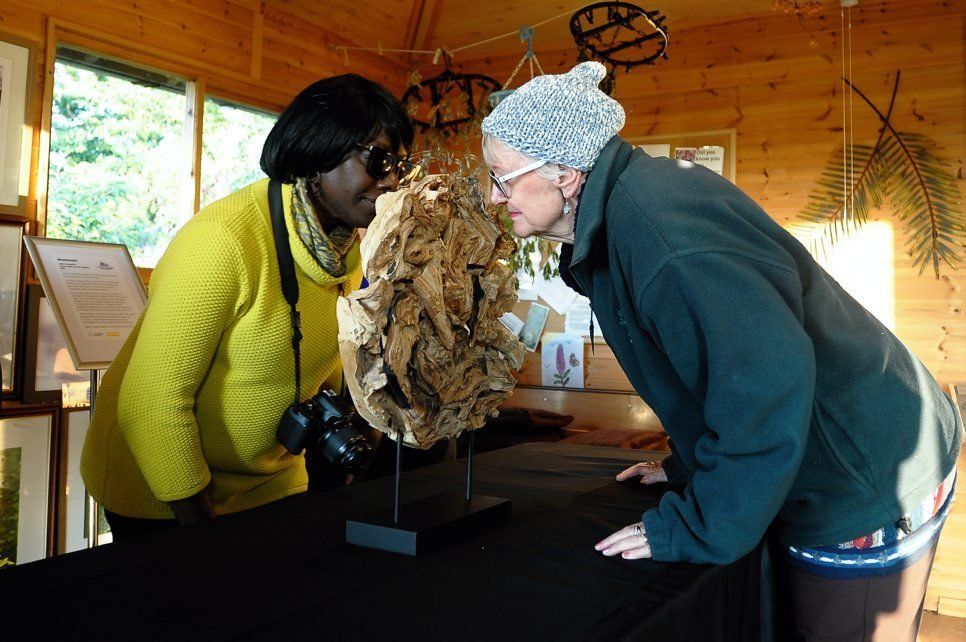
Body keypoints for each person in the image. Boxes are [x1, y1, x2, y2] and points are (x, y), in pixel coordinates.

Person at [480, 61, 962, 640]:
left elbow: (765, 382)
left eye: (502, 177)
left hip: (860, 474)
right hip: (839, 450)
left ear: (563, 172)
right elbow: (715, 368)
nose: (493, 196)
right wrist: (691, 466)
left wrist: (701, 522)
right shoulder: (629, 211)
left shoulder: (664, 235)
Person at [81, 74, 416, 539]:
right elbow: (151, 404)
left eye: (400, 166)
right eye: (378, 160)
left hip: (270, 485)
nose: (392, 182)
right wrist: (207, 539)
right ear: (318, 150)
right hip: (165, 501)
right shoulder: (222, 241)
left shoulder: (345, 252)